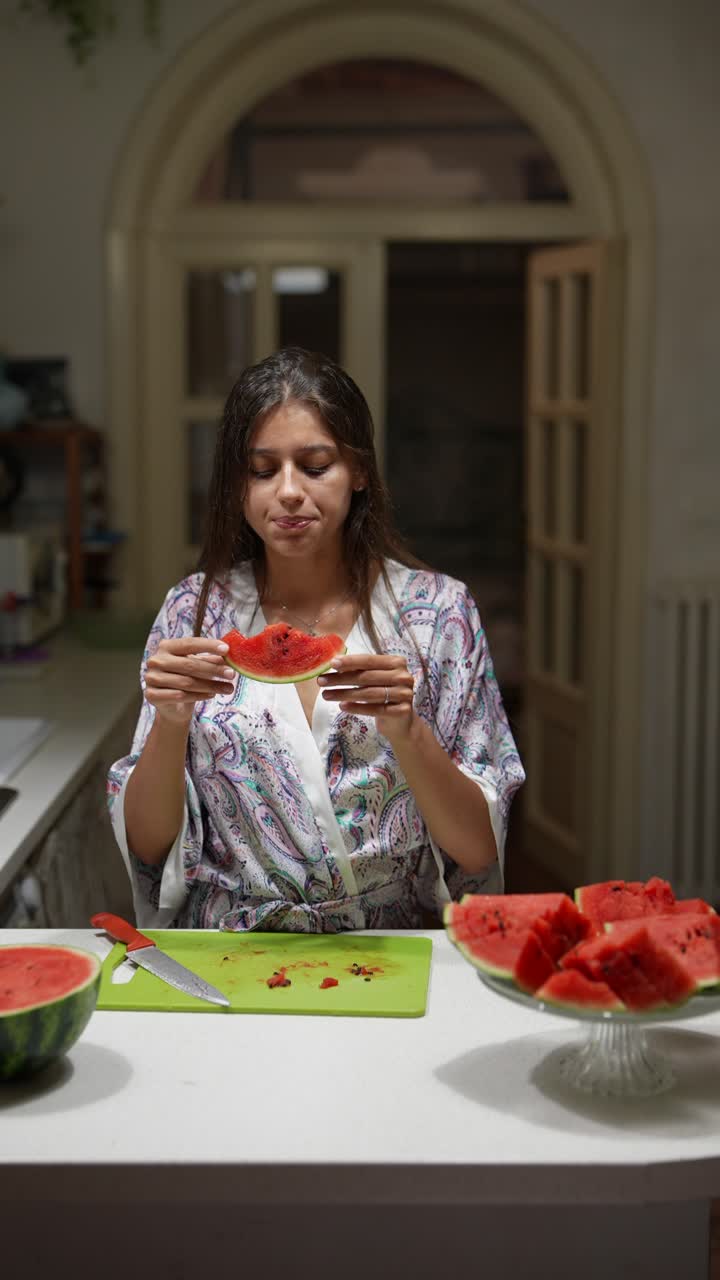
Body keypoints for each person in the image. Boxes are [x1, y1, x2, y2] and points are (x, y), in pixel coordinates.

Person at [107, 347, 525, 931]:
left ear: (357, 472)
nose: (288, 492)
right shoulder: (192, 610)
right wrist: (170, 722)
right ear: (237, 486)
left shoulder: (439, 613)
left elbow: (477, 852)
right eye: (262, 469)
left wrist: (408, 732)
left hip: (387, 947)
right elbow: (150, 847)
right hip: (233, 947)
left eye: (315, 464)